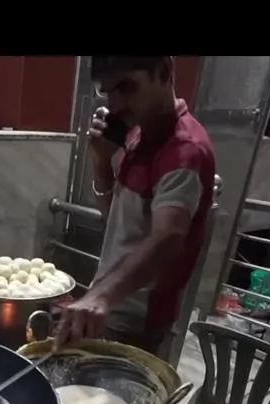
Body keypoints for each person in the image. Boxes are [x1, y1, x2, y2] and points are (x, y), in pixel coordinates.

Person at [55, 56, 215, 358]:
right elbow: (114, 218)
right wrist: (102, 162)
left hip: (136, 320)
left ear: (164, 71)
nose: (115, 105)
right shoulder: (138, 135)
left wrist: (102, 296)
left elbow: (168, 237)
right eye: (108, 92)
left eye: (126, 87)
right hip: (111, 306)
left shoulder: (185, 150)